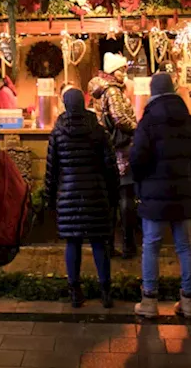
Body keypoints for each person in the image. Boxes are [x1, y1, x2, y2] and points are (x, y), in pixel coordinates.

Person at [131, 73, 191, 317]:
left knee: (151, 245)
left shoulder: (148, 121)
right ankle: (189, 300)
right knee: (185, 245)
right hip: (181, 190)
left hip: (154, 192)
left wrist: (140, 178)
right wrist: (184, 171)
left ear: (153, 92)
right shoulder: (188, 119)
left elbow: (137, 157)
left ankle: (150, 301)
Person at [45, 88, 118, 308]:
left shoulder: (58, 132)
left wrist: (49, 199)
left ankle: (75, 291)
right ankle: (106, 291)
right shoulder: (97, 130)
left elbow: (52, 169)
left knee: (73, 242)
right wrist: (112, 194)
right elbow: (110, 166)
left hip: (68, 195)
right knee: (99, 242)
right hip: (95, 194)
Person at [89, 52, 138, 257]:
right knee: (125, 197)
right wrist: (138, 128)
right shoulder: (113, 92)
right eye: (121, 70)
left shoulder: (103, 91)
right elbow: (119, 118)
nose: (124, 74)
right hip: (121, 152)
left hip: (108, 150)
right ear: (113, 72)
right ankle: (128, 244)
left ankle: (108, 245)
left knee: (110, 199)